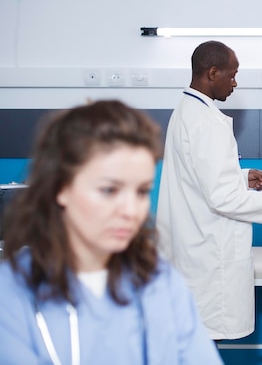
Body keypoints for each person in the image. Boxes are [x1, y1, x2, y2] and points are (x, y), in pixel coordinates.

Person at [0, 100, 223, 365]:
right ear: (61, 188)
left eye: (141, 191)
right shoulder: (13, 291)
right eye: (109, 190)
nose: (131, 210)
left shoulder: (161, 284)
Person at [156, 40, 262, 340]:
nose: (234, 83)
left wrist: (241, 175)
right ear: (211, 72)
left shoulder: (187, 111)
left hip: (193, 242)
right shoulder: (207, 122)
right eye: (231, 75)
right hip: (209, 252)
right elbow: (221, 198)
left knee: (193, 338)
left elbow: (197, 176)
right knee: (206, 338)